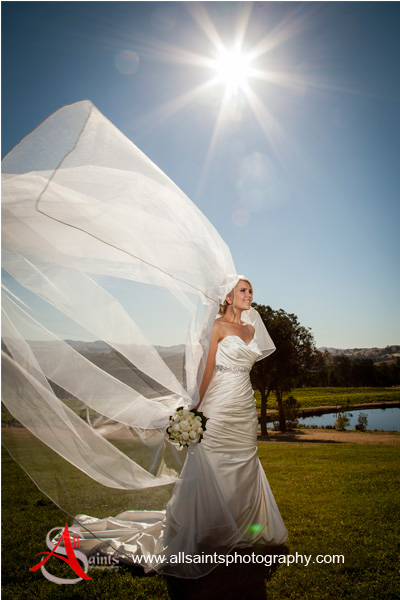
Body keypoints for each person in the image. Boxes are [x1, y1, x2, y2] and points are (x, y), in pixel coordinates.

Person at [74, 276, 288, 578]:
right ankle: (206, 528)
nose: (249, 295)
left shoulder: (252, 328)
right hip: (219, 402)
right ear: (228, 297)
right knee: (211, 461)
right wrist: (197, 407)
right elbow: (209, 368)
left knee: (243, 461)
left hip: (243, 404)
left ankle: (242, 526)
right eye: (243, 290)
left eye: (251, 290)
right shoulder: (216, 326)